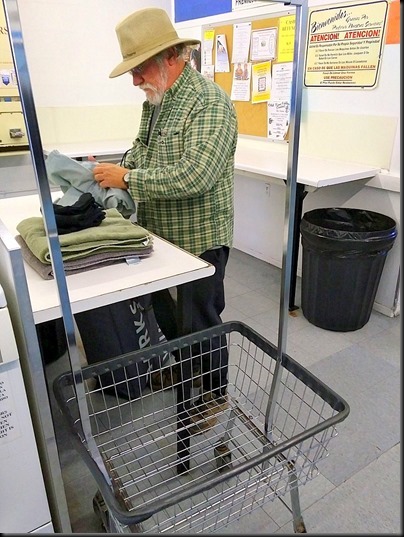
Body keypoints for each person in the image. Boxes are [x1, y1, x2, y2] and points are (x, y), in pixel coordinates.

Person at [92, 8, 238, 434]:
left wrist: (127, 178)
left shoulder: (209, 104)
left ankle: (214, 395)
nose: (135, 80)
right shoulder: (155, 104)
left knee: (201, 321)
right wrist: (115, 168)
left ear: (171, 57)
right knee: (167, 315)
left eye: (139, 69)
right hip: (161, 237)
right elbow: (141, 151)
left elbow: (196, 175)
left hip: (200, 238)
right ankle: (187, 370)